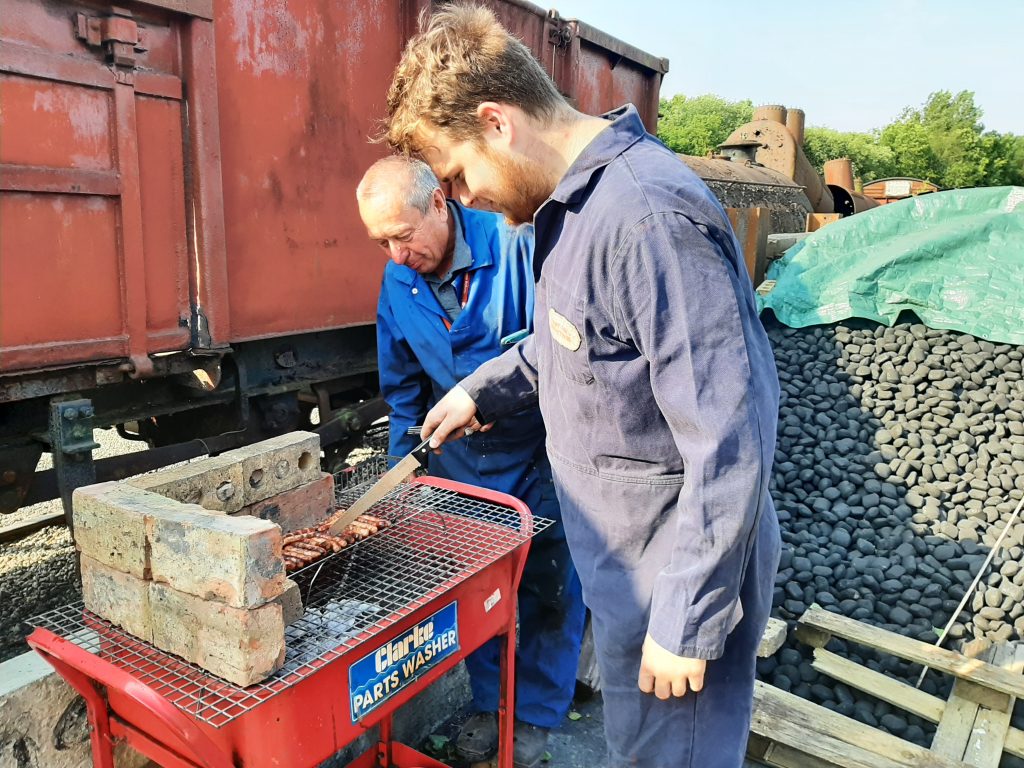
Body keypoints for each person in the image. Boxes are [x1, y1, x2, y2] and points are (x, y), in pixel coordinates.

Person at [381, 7, 782, 768]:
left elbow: (731, 433)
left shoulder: (646, 217)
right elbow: (569, 345)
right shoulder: (570, 216)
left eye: (459, 175)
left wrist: (687, 621)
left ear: (497, 122)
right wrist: (481, 389)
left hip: (670, 571)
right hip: (625, 564)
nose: (461, 200)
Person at [356, 155, 586, 768]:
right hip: (459, 467)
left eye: (403, 236)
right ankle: (489, 702)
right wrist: (402, 471)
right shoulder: (397, 281)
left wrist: (494, 393)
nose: (396, 255)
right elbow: (403, 387)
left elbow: (565, 348)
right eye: (380, 242)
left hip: (540, 457)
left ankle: (536, 711)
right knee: (475, 592)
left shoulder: (516, 242)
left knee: (549, 588)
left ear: (439, 204)